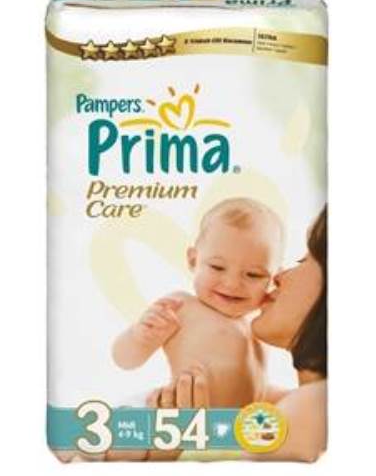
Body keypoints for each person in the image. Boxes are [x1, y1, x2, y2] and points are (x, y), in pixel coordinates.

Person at [148, 205, 328, 462]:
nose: (279, 277)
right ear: (193, 259)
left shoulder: (311, 406)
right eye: (218, 267)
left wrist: (182, 446)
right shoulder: (295, 407)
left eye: (304, 260)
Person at [112, 197, 284, 408]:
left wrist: (292, 398)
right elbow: (124, 360)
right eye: (217, 267)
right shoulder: (181, 307)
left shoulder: (258, 326)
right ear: (193, 260)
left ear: (274, 278)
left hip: (232, 424)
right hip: (175, 412)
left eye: (253, 275)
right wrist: (140, 337)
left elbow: (257, 391)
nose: (232, 284)